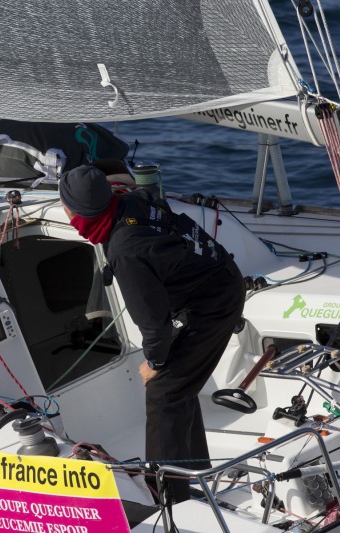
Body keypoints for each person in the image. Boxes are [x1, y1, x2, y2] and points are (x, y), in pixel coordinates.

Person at [59, 165, 246, 502]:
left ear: (73, 212)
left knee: (164, 390)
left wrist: (155, 363)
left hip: (213, 303)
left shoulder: (127, 251)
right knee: (180, 386)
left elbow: (154, 326)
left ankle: (168, 498)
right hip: (216, 282)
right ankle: (194, 473)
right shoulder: (134, 199)